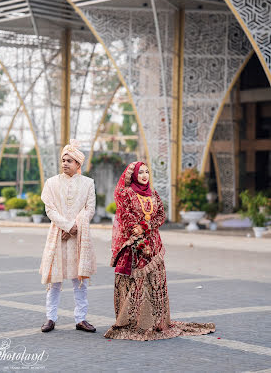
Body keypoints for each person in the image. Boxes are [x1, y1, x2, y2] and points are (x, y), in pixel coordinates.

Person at [104, 161, 215, 341]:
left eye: (147, 172)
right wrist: (139, 238)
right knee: (138, 284)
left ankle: (155, 322)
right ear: (133, 175)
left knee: (155, 282)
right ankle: (135, 322)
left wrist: (146, 227)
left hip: (154, 245)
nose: (144, 175)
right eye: (141, 173)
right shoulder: (127, 194)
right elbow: (126, 219)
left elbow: (161, 215)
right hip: (135, 246)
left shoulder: (153, 194)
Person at [40, 139, 96, 333]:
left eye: (69, 160)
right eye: (63, 160)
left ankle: (81, 319)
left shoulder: (88, 183)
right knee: (54, 281)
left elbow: (90, 209)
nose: (65, 163)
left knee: (79, 281)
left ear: (78, 164)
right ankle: (50, 318)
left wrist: (76, 226)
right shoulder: (51, 183)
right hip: (57, 234)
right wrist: (66, 226)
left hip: (79, 237)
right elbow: (50, 209)